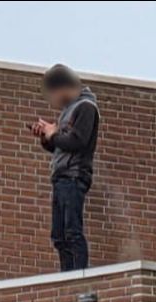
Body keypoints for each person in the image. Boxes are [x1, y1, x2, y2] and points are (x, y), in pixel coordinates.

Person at [31, 64, 100, 272]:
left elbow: (78, 142)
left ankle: (78, 274)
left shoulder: (86, 107)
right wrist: (46, 138)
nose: (54, 101)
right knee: (59, 235)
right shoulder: (68, 111)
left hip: (74, 176)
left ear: (63, 88)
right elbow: (61, 146)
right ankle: (66, 275)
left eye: (54, 94)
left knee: (72, 231)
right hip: (62, 177)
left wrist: (54, 134)